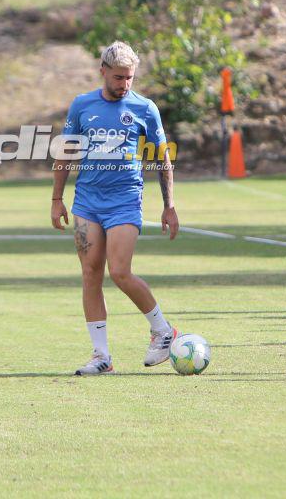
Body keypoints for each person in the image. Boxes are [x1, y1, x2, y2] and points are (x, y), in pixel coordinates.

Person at [51, 41, 180, 376]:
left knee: (120, 271)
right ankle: (101, 356)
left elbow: (162, 158)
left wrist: (169, 206)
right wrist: (56, 199)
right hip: (86, 204)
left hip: (125, 201)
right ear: (103, 71)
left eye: (130, 78)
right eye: (119, 77)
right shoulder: (82, 106)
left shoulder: (144, 108)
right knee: (91, 273)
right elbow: (65, 153)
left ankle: (163, 330)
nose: (125, 84)